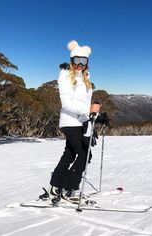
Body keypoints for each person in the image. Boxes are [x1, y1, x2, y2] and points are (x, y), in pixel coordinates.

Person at [49, 40, 100, 203]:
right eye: (76, 60)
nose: (79, 64)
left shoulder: (85, 78)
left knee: (70, 154)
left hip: (81, 122)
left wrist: (94, 116)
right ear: (71, 61)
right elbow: (67, 104)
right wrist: (88, 110)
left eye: (83, 61)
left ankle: (56, 186)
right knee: (84, 154)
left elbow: (85, 105)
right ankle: (68, 187)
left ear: (87, 63)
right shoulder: (65, 75)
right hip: (70, 122)